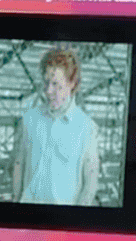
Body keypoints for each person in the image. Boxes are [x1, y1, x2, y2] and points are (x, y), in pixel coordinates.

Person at [11, 47, 100, 206]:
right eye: (46, 82)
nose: (48, 91)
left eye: (56, 84)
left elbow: (90, 184)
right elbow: (19, 164)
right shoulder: (29, 120)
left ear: (72, 83)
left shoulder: (86, 128)